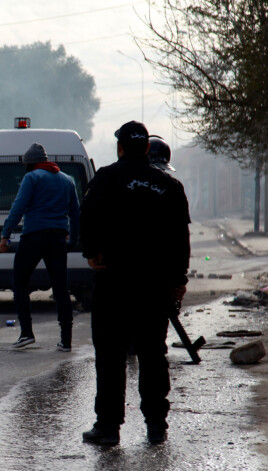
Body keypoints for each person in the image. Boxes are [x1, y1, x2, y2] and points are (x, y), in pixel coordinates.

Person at [79, 121, 191, 445]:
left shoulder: (106, 178)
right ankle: (156, 425)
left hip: (113, 282)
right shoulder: (169, 186)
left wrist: (92, 253)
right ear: (147, 148)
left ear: (120, 147)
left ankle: (109, 427)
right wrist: (179, 280)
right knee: (153, 354)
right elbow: (180, 239)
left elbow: (86, 215)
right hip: (154, 286)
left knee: (111, 356)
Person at [0, 143, 80, 350]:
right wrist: (73, 240)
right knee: (61, 288)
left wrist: (5, 234)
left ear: (31, 164)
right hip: (58, 238)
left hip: (33, 237)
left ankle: (26, 333)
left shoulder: (32, 178)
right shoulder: (67, 180)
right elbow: (75, 214)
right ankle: (66, 340)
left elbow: (19, 206)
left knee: (19, 283)